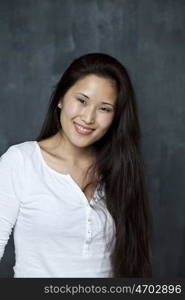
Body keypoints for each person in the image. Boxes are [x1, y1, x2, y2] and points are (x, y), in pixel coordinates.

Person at [0, 53, 153, 278]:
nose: (88, 117)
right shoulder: (21, 161)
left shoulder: (119, 168)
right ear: (61, 98)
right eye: (81, 100)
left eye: (104, 108)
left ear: (116, 116)